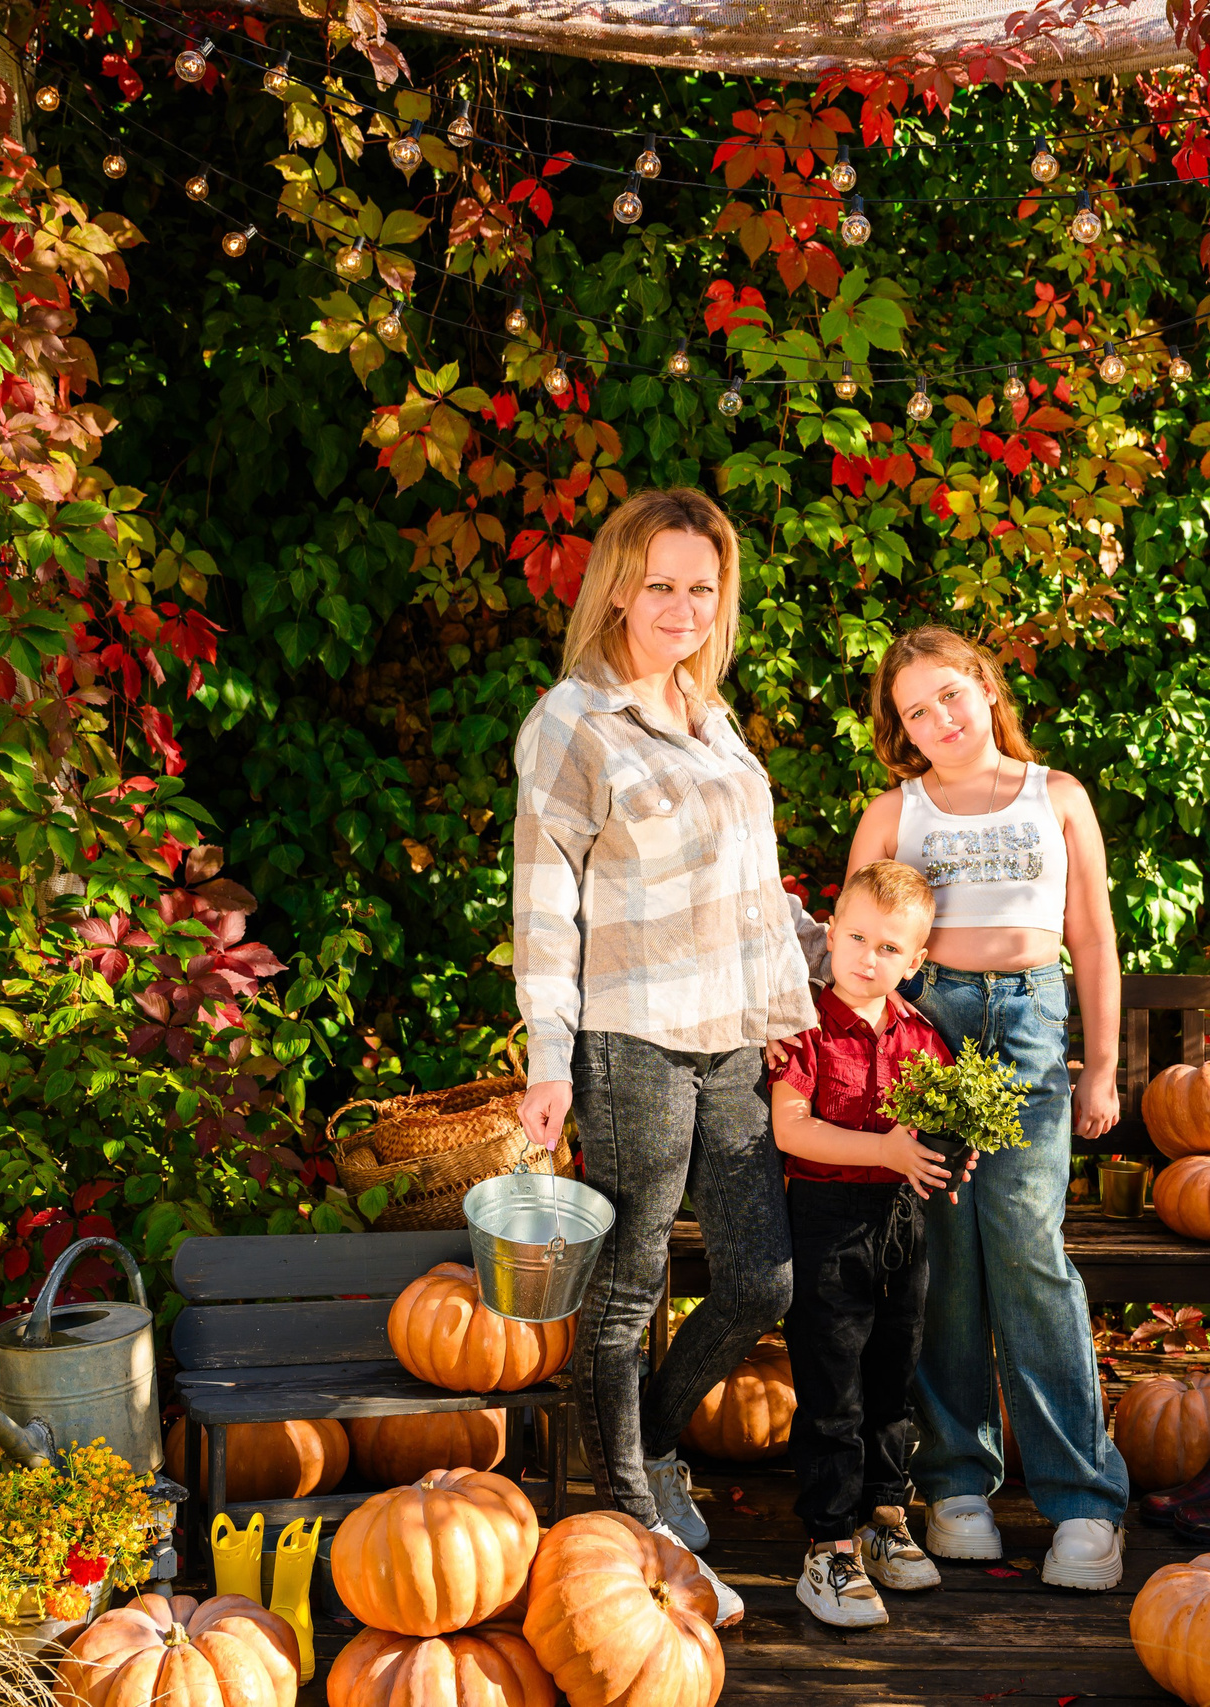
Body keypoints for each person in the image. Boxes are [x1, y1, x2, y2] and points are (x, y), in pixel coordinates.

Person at [511, 488, 828, 1627]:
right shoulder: (572, 722)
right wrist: (552, 1057)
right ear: (618, 587)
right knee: (628, 1279)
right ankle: (631, 1506)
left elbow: (750, 887)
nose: (684, 607)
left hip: (732, 1035)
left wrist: (827, 960)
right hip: (632, 1037)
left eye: (703, 587)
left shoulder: (711, 713)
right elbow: (546, 907)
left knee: (759, 1279)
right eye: (662, 586)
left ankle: (638, 1442)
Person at [845, 625, 1131, 1590]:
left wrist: (1100, 1067)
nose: (938, 721)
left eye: (949, 696)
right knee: (943, 1254)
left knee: (1026, 1246)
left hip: (1029, 1025)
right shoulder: (896, 812)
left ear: (985, 686)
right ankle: (957, 1482)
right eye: (915, 711)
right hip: (928, 1027)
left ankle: (1084, 1499)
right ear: (901, 730)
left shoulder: (1058, 796)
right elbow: (857, 952)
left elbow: (1091, 933)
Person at [767, 860, 964, 1629]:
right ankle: (828, 1544)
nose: (866, 956)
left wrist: (954, 1151)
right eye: (854, 936)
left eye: (888, 947)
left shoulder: (924, 1036)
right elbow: (791, 1126)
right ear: (831, 934)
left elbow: (940, 1135)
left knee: (892, 1376)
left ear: (915, 961)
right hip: (827, 1220)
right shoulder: (806, 1026)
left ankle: (885, 1517)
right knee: (831, 1389)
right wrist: (883, 1150)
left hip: (903, 1226)